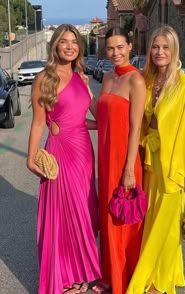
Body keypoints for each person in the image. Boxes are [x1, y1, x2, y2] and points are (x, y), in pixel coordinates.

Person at [26, 24, 101, 294]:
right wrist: (31, 157)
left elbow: (84, 121)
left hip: (83, 152)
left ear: (79, 47)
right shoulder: (44, 79)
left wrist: (105, 124)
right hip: (60, 151)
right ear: (55, 46)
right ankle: (65, 278)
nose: (70, 46)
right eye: (64, 42)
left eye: (74, 42)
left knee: (86, 211)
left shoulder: (82, 77)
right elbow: (37, 123)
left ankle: (81, 274)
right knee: (66, 215)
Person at [126, 25, 185, 294]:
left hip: (172, 168)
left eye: (165, 47)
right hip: (149, 163)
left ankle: (152, 283)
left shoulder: (184, 88)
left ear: (174, 50)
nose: (159, 52)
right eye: (155, 47)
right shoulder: (146, 79)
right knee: (152, 222)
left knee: (164, 227)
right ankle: (161, 274)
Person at [87, 27, 146, 294]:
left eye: (120, 47)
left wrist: (130, 170)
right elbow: (101, 117)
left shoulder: (136, 80)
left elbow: (136, 128)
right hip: (106, 157)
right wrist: (87, 91)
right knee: (107, 216)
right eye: (110, 48)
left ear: (130, 46)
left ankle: (124, 280)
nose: (115, 53)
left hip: (125, 160)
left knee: (122, 220)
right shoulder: (108, 76)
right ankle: (109, 276)